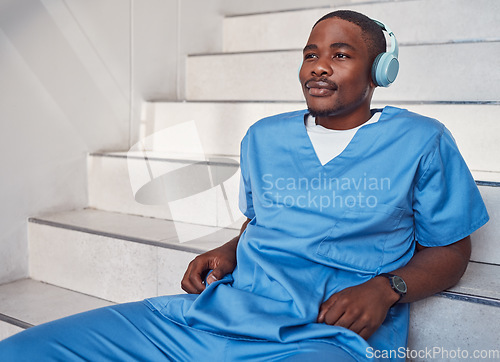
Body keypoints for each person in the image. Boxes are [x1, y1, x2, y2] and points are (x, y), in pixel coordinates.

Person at [0, 10, 489, 362]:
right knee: (24, 350)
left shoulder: (421, 141)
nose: (318, 66)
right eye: (311, 55)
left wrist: (387, 289)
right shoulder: (265, 137)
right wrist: (229, 249)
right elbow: (263, 220)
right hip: (217, 315)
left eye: (340, 55)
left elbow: (451, 251)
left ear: (380, 72)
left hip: (327, 336)